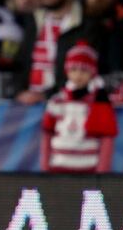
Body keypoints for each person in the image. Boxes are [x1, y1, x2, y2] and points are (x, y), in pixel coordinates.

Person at [41, 42, 118, 173]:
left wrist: (102, 171)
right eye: (73, 70)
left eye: (84, 70)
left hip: (88, 170)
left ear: (92, 72)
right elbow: (47, 134)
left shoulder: (99, 102)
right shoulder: (57, 100)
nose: (78, 75)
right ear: (67, 71)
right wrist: (45, 166)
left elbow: (107, 140)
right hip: (58, 169)